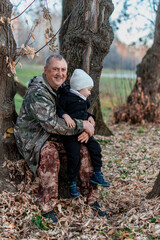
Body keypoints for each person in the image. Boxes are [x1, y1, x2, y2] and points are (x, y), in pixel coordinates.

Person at [14, 54, 108, 223]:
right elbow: (51, 124)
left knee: (85, 149)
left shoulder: (62, 88)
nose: (60, 73)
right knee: (50, 154)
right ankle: (47, 207)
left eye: (63, 70)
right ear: (45, 70)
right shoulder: (38, 92)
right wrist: (82, 125)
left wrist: (88, 122)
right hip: (34, 139)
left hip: (57, 135)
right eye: (55, 69)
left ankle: (92, 199)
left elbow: (75, 109)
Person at [57, 69, 110, 198]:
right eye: (89, 89)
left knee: (96, 148)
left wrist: (91, 117)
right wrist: (65, 116)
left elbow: (83, 113)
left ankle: (97, 173)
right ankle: (72, 182)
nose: (90, 92)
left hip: (83, 132)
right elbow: (58, 109)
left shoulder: (84, 100)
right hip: (70, 135)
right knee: (74, 157)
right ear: (80, 89)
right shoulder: (67, 98)